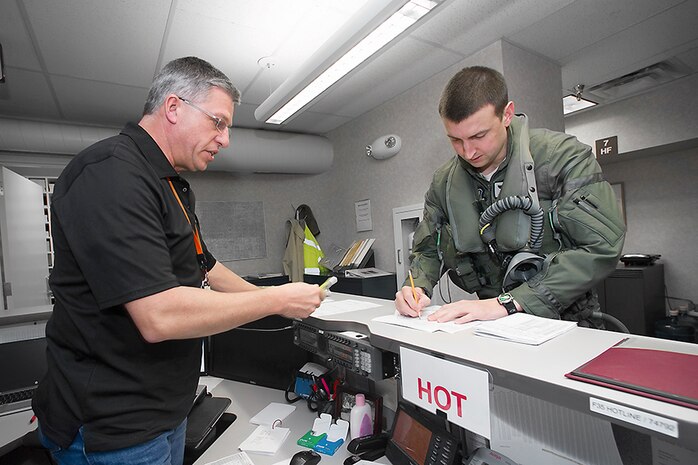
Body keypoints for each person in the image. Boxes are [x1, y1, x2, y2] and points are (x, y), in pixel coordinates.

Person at [32, 56, 326, 465]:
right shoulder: (111, 174)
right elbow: (159, 316)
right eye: (218, 122)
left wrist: (277, 296)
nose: (225, 139)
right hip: (115, 428)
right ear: (174, 108)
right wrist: (277, 302)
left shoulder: (168, 183)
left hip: (167, 412)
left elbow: (205, 265)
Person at [395, 66, 625, 326]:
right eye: (455, 140)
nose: (468, 152)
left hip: (566, 319)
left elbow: (601, 248)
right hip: (490, 325)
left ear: (506, 114)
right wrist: (416, 286)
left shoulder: (562, 158)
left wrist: (508, 303)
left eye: (478, 136)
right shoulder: (443, 182)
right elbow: (427, 249)